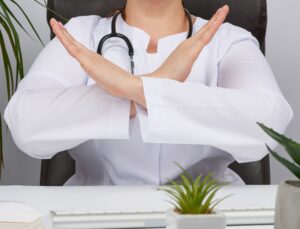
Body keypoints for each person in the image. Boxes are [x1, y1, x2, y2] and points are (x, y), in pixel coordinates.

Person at [4, 0, 293, 185]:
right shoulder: (80, 35)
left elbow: (267, 122)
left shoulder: (228, 40)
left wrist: (135, 87)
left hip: (208, 211)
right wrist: (161, 82)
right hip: (95, 209)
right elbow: (26, 123)